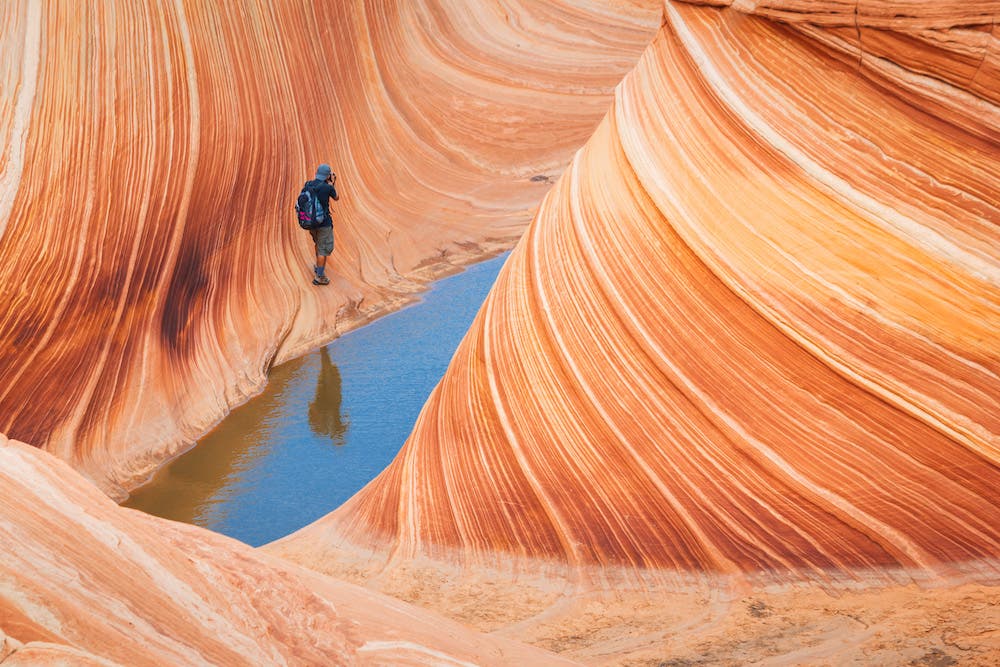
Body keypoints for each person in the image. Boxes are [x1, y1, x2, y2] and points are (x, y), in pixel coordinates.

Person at [306, 163, 339, 285]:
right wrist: (333, 184)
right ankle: (319, 277)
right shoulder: (328, 188)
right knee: (323, 250)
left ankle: (318, 266)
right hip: (324, 223)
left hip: (311, 222)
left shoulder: (309, 184)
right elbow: (337, 198)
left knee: (318, 243)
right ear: (327, 176)